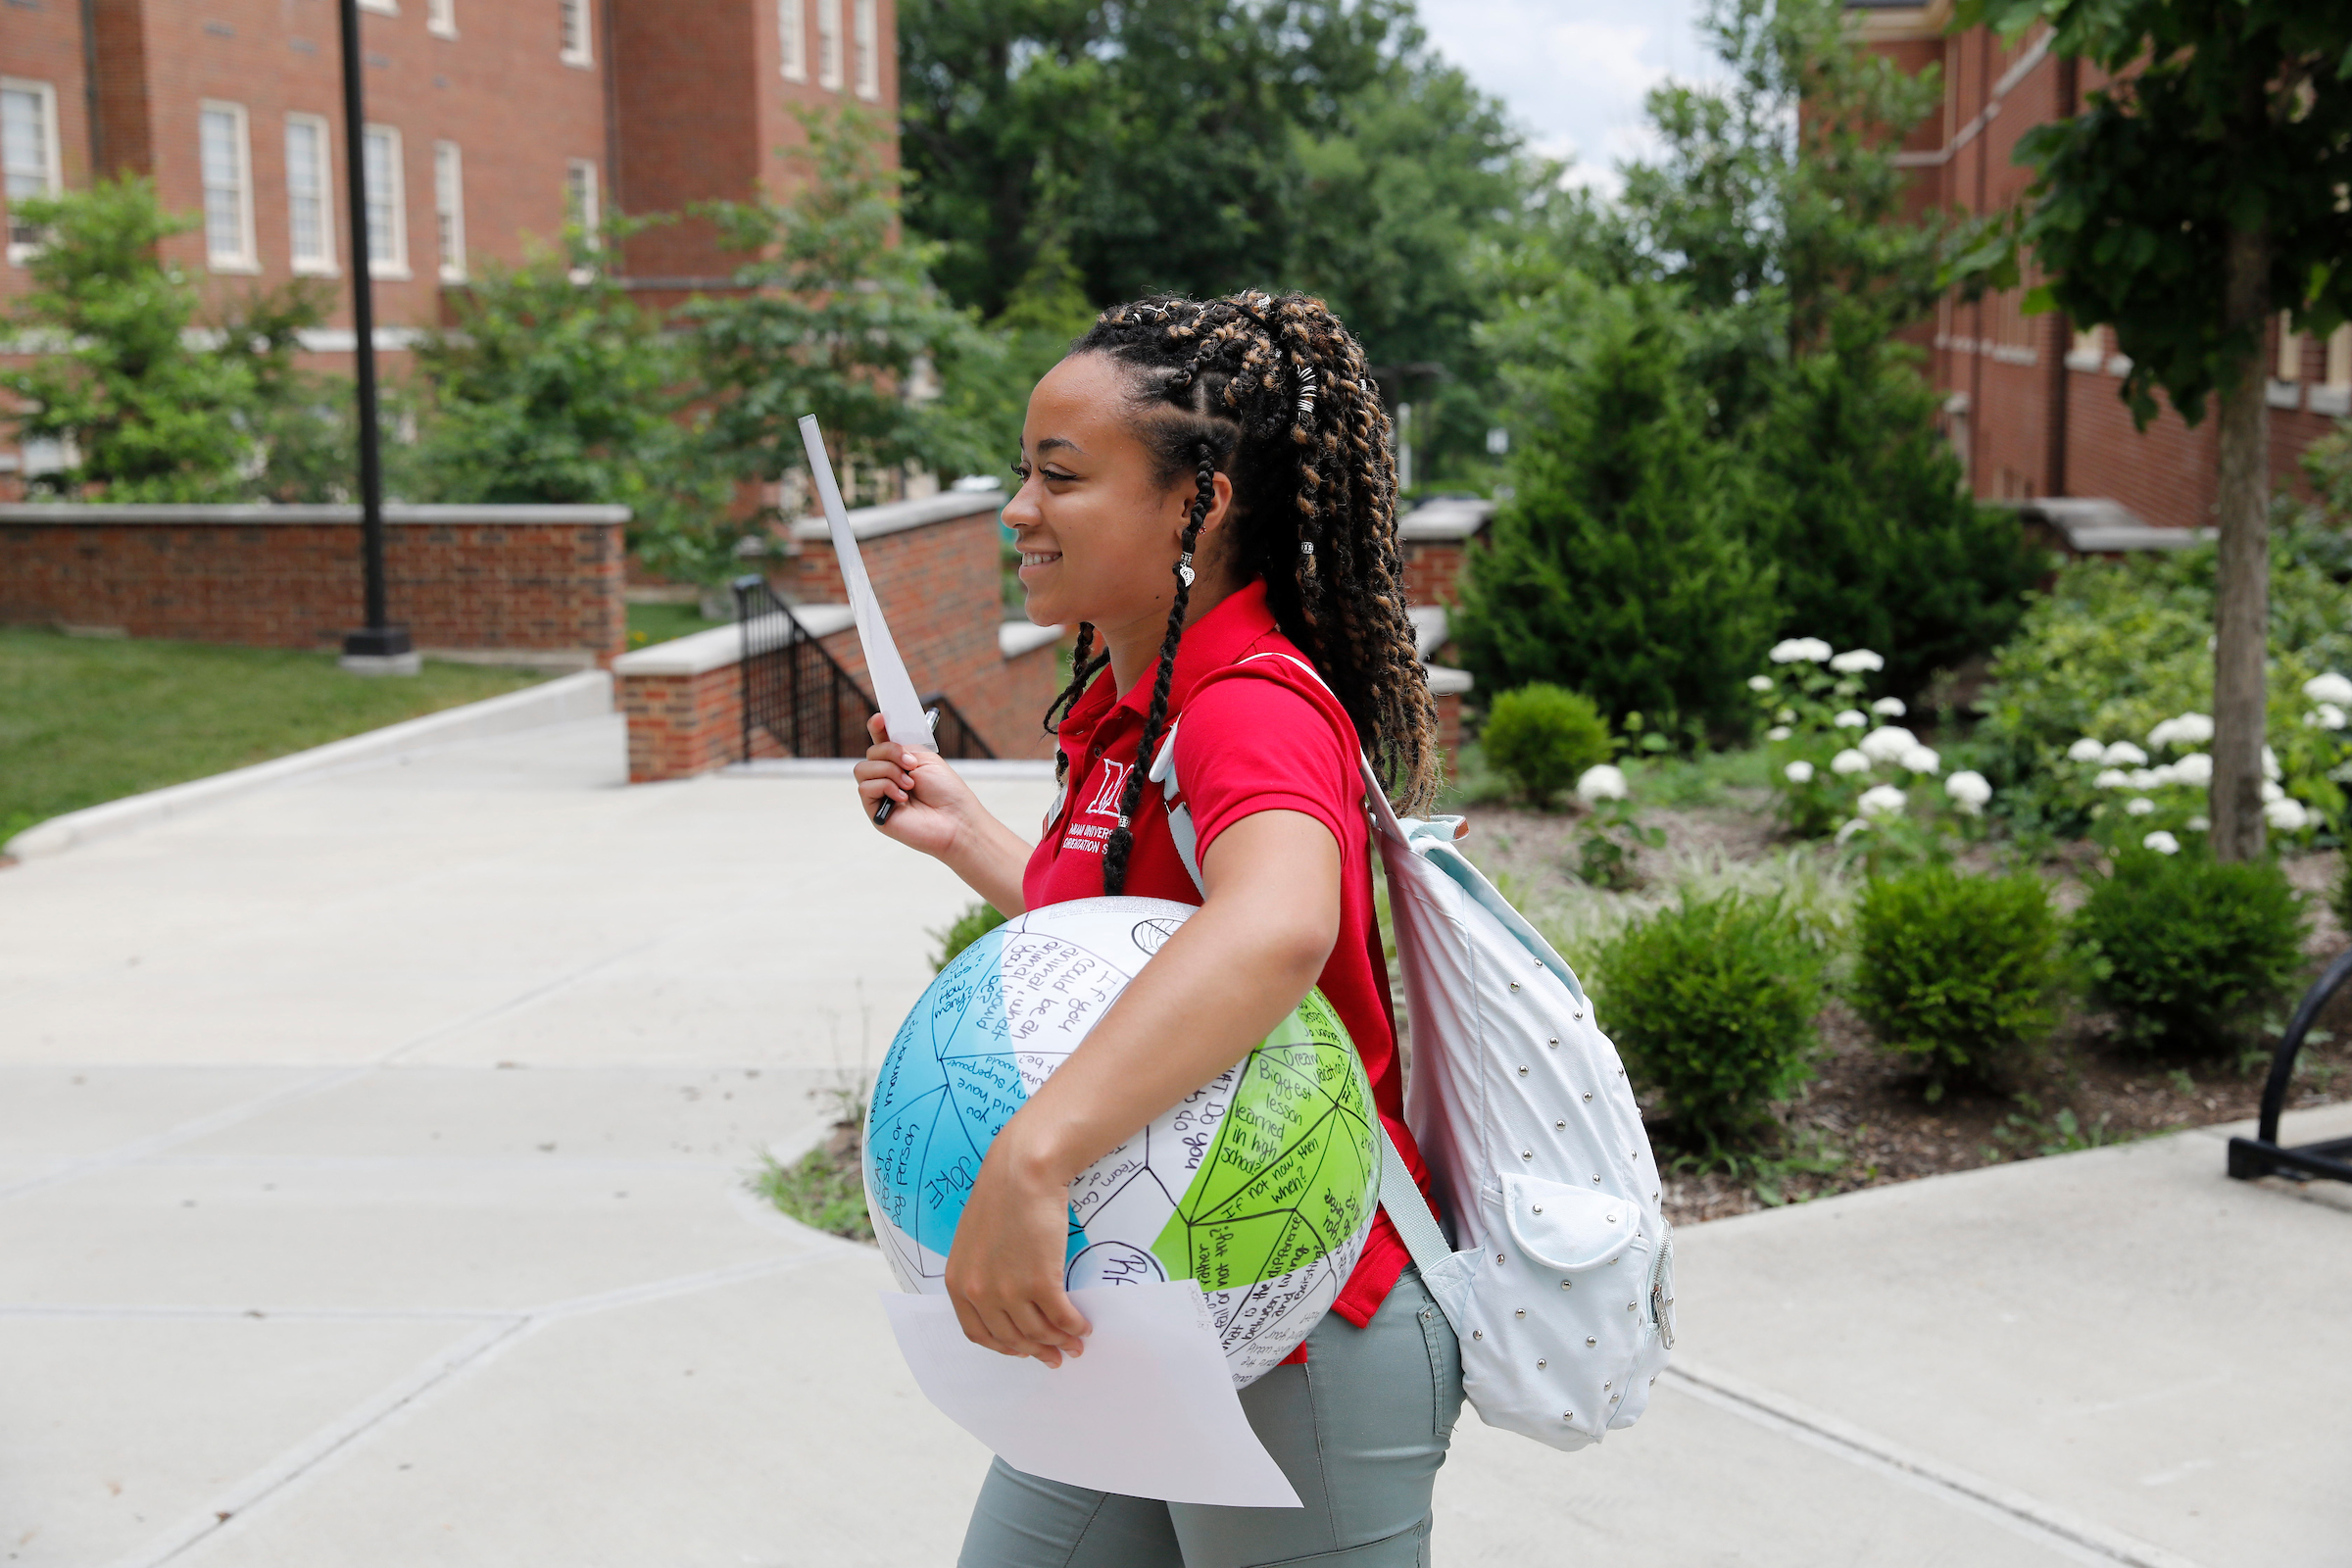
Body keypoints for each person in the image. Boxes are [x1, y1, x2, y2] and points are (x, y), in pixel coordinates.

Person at [854, 291, 1462, 1567]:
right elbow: (1134, 956)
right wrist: (968, 836)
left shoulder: (1246, 706)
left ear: (1201, 503)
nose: (1017, 509)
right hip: (1136, 1309)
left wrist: (1035, 1154)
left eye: (1061, 477)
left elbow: (1273, 926)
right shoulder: (1130, 713)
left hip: (1298, 1329)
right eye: (1021, 471)